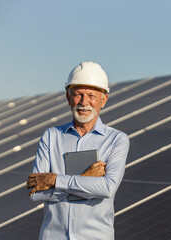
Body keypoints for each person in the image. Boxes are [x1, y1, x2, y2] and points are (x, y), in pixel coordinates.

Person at [26, 62, 130, 240]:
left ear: (103, 100)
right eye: (78, 95)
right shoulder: (51, 137)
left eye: (91, 95)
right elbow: (35, 193)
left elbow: (107, 188)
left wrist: (55, 180)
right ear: (68, 97)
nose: (84, 102)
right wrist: (86, 180)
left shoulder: (116, 140)